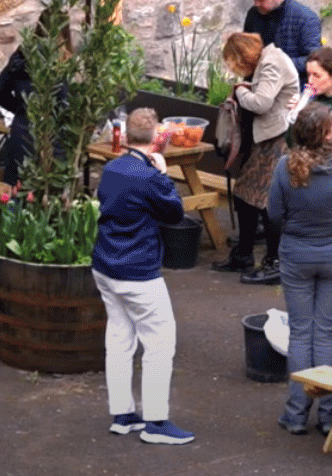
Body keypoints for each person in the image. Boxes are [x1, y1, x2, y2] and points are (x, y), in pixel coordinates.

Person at [92, 108, 195, 445]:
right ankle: (155, 422)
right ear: (155, 138)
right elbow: (174, 212)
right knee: (160, 341)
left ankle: (122, 414)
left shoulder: (111, 168)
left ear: (125, 135)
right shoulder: (149, 176)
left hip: (105, 265)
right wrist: (163, 174)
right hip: (137, 270)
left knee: (120, 336)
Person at [267, 101, 332, 436]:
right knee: (325, 333)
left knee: (300, 333)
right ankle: (328, 414)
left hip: (297, 256)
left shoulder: (284, 167)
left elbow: (275, 215)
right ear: (325, 133)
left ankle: (295, 414)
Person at [214, 31, 298, 284]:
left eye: (234, 62)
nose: (235, 69)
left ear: (243, 56)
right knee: (245, 195)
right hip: (266, 138)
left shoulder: (272, 62)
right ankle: (244, 254)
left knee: (265, 202)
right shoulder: (267, 60)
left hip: (277, 139)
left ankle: (275, 263)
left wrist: (240, 92)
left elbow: (261, 102)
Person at [0, 7, 72, 186]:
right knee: (47, 200)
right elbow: (65, 106)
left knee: (17, 197)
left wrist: (21, 109)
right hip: (51, 140)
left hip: (22, 132)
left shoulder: (23, 54)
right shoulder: (61, 62)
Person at [242, 0, 322, 82]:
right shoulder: (253, 14)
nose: (256, 4)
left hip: (293, 89)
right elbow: (247, 51)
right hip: (260, 86)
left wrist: (277, 65)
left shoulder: (306, 18)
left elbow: (313, 61)